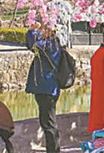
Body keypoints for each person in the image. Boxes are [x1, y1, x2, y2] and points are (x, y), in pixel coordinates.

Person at [26, 24, 62, 153]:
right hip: (47, 88)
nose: (42, 31)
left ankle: (53, 150)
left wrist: (32, 30)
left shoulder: (50, 45)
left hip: (47, 89)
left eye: (44, 29)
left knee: (49, 123)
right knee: (47, 121)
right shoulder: (51, 44)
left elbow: (34, 45)